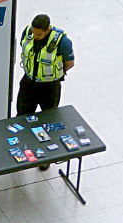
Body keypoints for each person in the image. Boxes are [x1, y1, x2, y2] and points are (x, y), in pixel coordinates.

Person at [16, 14, 75, 170]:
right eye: (34, 33)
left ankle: (45, 157)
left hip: (50, 86)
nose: (35, 37)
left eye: (39, 34)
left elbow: (69, 63)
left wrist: (53, 75)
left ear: (47, 29)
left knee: (48, 120)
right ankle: (21, 150)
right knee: (22, 116)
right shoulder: (28, 32)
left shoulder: (62, 41)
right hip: (28, 82)